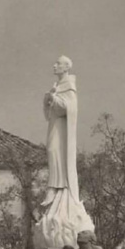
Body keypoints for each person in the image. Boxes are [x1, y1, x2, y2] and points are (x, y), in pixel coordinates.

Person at [42, 56, 78, 208]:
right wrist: (48, 99)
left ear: (66, 67)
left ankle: (56, 187)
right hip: (54, 124)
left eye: (58, 63)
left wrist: (53, 98)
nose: (54, 65)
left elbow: (68, 108)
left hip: (62, 127)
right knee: (51, 151)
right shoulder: (58, 85)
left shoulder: (69, 84)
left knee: (55, 151)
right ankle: (54, 187)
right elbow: (51, 109)